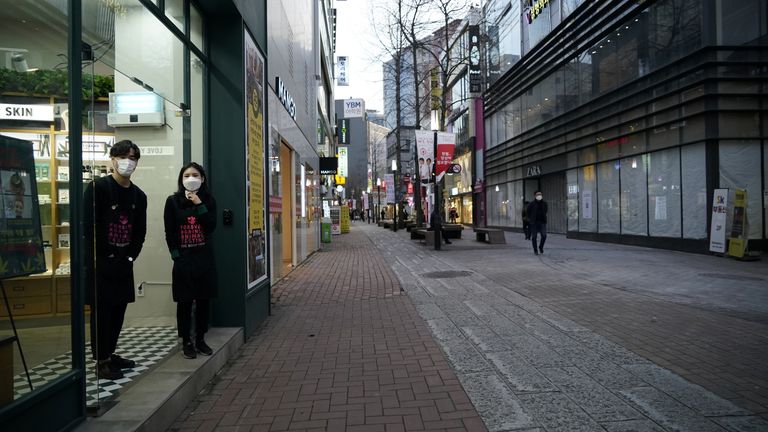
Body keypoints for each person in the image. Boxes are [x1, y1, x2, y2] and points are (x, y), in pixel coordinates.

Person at [84, 140, 147, 380]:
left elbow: (139, 232)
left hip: (124, 262)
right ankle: (101, 361)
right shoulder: (98, 188)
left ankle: (110, 354)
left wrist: (130, 256)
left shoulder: (138, 196)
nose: (127, 162)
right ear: (112, 159)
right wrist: (107, 254)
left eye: (132, 158)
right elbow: (89, 226)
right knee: (102, 312)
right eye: (122, 156)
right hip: (101, 263)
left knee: (119, 310)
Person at [164, 162, 218, 359]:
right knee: (184, 302)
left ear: (202, 179)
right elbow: (169, 232)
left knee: (203, 300)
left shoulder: (208, 201)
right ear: (181, 179)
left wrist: (199, 204)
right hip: (184, 260)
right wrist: (176, 256)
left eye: (195, 174)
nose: (191, 178)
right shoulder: (172, 201)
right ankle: (186, 340)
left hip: (204, 259)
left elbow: (211, 226)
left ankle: (201, 339)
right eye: (186, 175)